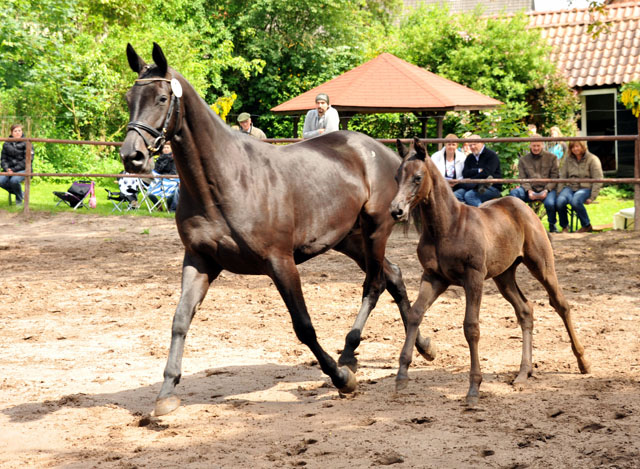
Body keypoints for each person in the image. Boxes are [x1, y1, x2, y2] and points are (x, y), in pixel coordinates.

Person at [509, 136, 560, 232]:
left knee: (550, 203)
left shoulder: (552, 158)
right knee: (514, 195)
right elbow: (522, 178)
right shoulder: (523, 160)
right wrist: (529, 190)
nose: (536, 148)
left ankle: (552, 224)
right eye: (534, 146)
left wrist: (546, 190)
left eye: (538, 145)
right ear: (530, 146)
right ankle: (517, 224)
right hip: (529, 189)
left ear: (542, 145)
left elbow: (555, 177)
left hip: (547, 189)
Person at [556, 140, 603, 233]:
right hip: (570, 187)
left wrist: (592, 197)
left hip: (585, 188)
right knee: (560, 201)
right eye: (573, 147)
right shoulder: (568, 159)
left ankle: (586, 225)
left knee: (576, 201)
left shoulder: (592, 159)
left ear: (583, 146)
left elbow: (598, 178)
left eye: (577, 146)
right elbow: (562, 176)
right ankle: (564, 226)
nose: (575, 149)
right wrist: (559, 192)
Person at [458, 135, 502, 207]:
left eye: (474, 144)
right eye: (470, 145)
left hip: (492, 187)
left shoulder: (491, 155)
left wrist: (471, 179)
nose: (472, 147)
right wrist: (478, 171)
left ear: (482, 143)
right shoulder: (470, 157)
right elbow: (465, 173)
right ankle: (467, 216)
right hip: (473, 186)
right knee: (456, 195)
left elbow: (487, 173)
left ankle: (484, 215)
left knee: (469, 196)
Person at [1, 123, 33, 205]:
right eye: (15, 131)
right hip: (9, 170)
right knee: (0, 180)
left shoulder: (27, 143)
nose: (18, 132)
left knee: (14, 180)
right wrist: (7, 169)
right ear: (11, 133)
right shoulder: (6, 144)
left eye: (19, 130)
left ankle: (19, 200)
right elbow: (3, 159)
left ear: (22, 132)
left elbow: (28, 160)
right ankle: (20, 193)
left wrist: (13, 170)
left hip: (23, 169)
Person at [430, 133, 467, 202]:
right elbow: (432, 172)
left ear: (457, 145)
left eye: (453, 144)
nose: (451, 147)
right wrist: (444, 181)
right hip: (440, 185)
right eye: (449, 144)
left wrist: (456, 181)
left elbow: (465, 173)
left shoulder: (462, 157)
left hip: (457, 185)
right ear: (445, 144)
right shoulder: (435, 156)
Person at [148, 142, 179, 212]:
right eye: (164, 148)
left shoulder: (174, 158)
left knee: (172, 194)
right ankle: (159, 206)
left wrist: (163, 176)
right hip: (159, 180)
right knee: (149, 193)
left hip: (171, 181)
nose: (166, 149)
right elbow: (156, 171)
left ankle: (169, 207)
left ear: (171, 149)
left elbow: (173, 173)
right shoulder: (160, 158)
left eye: (167, 148)